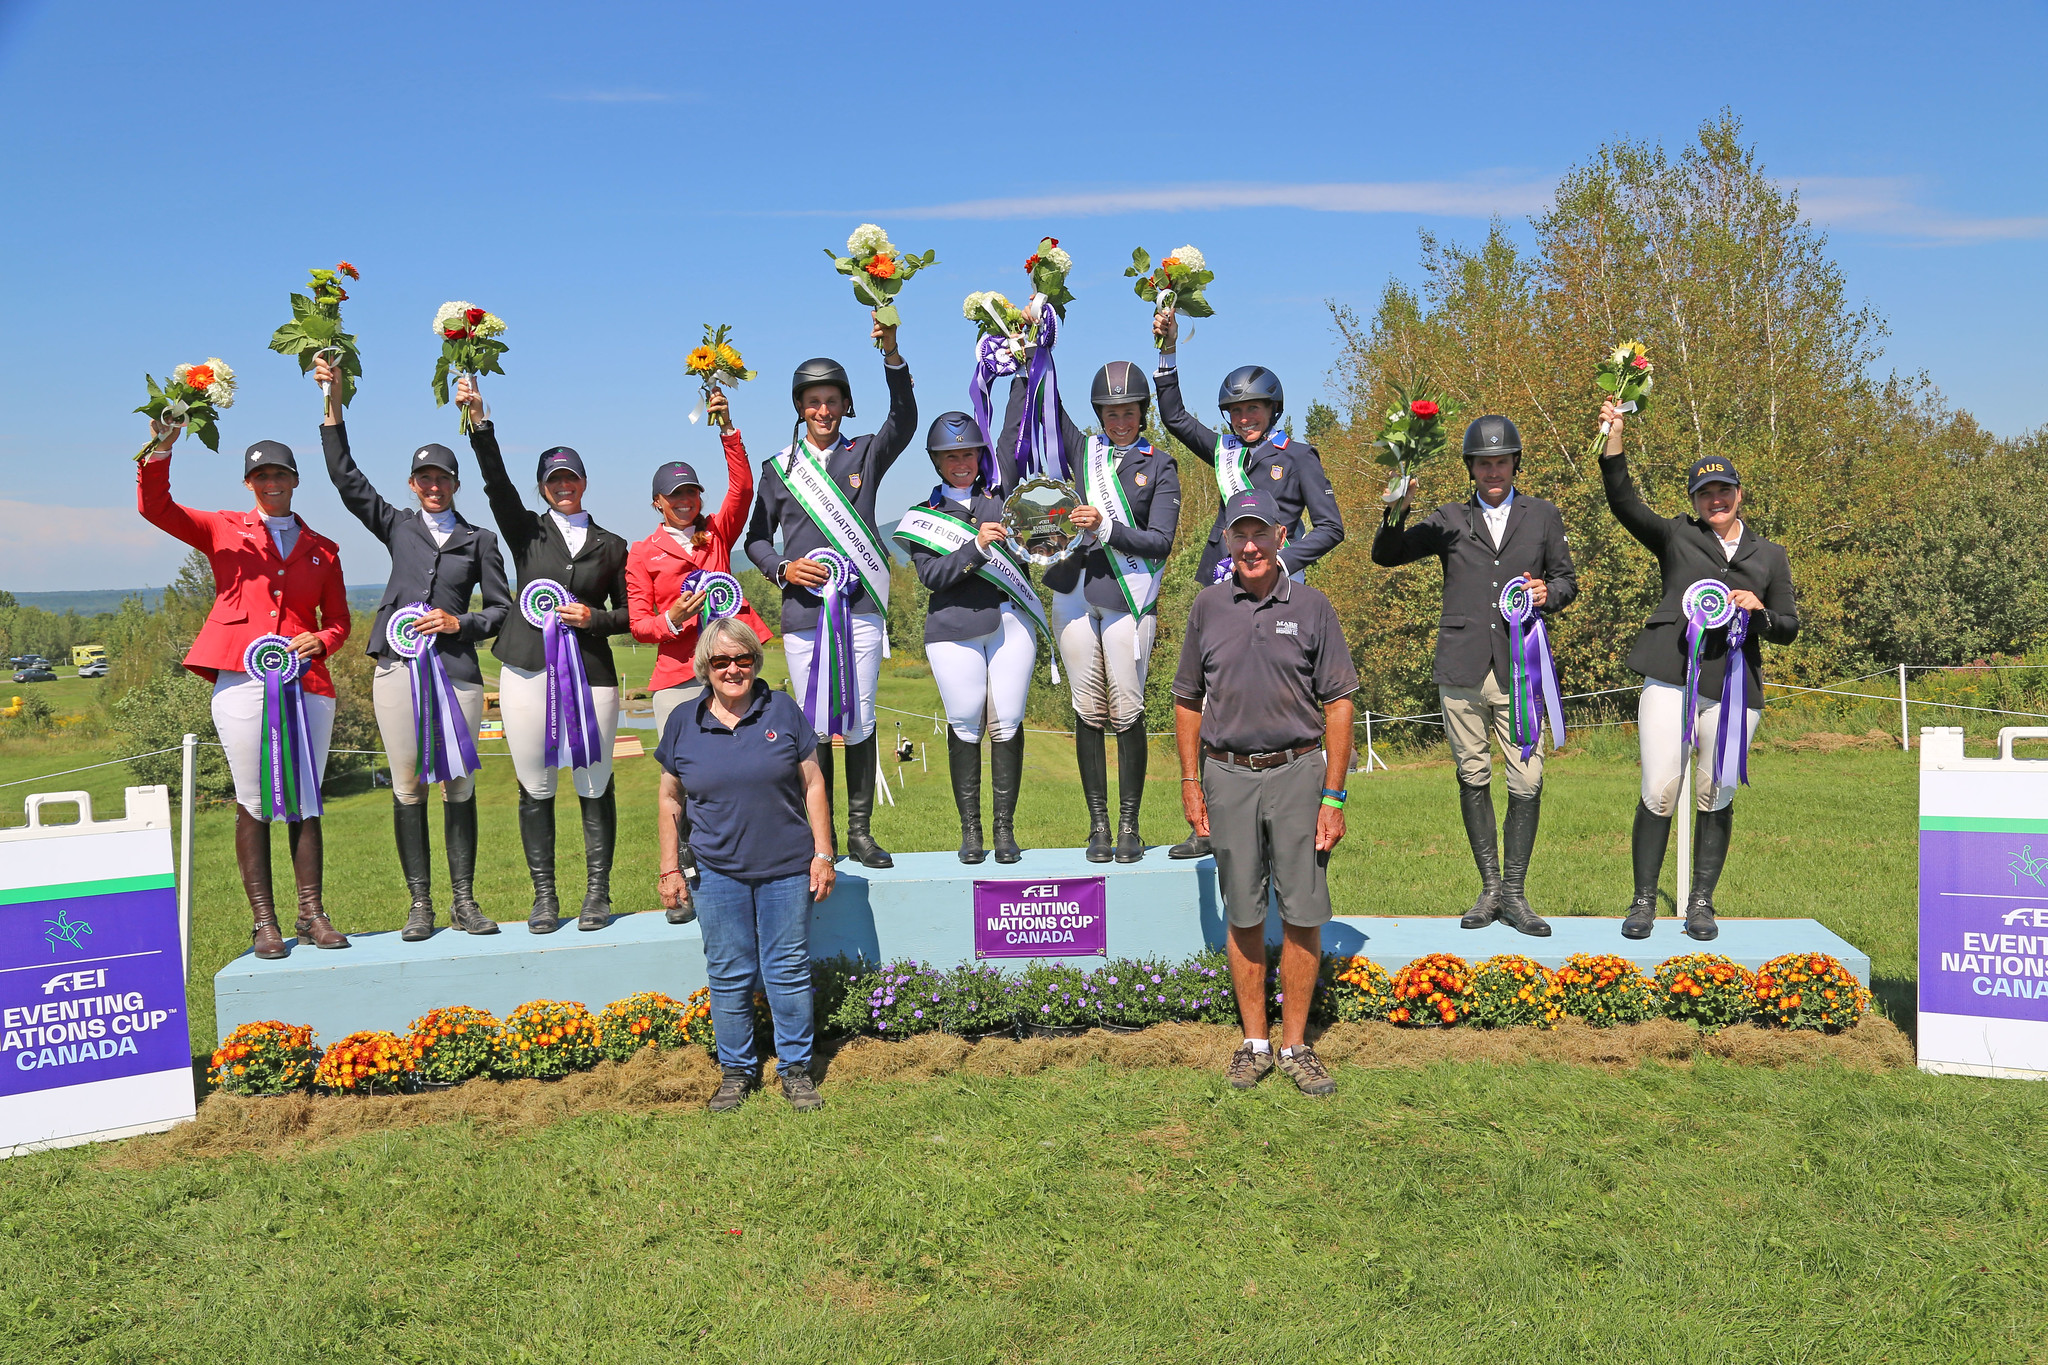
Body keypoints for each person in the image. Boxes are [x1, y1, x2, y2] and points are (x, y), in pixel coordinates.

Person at [136, 421, 351, 959]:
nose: (269, 482)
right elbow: (156, 508)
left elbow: (340, 620)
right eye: (259, 475)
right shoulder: (221, 528)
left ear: (295, 480)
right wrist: (162, 447)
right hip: (240, 676)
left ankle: (312, 914)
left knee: (306, 796)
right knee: (253, 798)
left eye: (278, 473)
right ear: (248, 484)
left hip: (309, 684)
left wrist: (321, 641)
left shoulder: (323, 548)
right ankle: (264, 923)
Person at [314, 355, 510, 942]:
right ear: (412, 484)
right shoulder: (397, 523)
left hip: (458, 675)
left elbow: (500, 611)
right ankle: (420, 904)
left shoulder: (480, 541)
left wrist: (460, 623)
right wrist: (333, 405)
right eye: (423, 479)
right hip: (398, 672)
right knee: (406, 785)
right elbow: (346, 478)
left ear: (455, 484)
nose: (432, 486)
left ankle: (465, 901)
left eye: (441, 478)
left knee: (460, 784)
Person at [1173, 489, 1358, 1096]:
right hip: (1226, 776)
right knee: (1245, 910)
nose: (1249, 546)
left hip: (1299, 773)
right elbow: (1186, 702)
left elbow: (1339, 705)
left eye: (1260, 534)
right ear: (1227, 541)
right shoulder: (1206, 607)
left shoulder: (1312, 607)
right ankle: (1254, 1043)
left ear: (1282, 537)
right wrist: (1191, 780)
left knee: (1303, 910)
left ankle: (1295, 1045)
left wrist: (1334, 796)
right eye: (1238, 535)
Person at [1600, 398, 1800, 941]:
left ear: (1739, 495)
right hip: (1670, 678)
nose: (1716, 499)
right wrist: (1614, 436)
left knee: (1717, 793)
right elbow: (1623, 501)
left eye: (1724, 491)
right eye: (1705, 493)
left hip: (1736, 691)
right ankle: (1643, 902)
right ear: (1694, 500)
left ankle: (1702, 905)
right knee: (1661, 789)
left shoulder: (1771, 555)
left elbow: (1788, 625)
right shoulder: (1676, 536)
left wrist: (1759, 615)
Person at [1371, 414, 1578, 936]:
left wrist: (1546, 594)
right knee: (1472, 773)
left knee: (1527, 777)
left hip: (1519, 667)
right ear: (1471, 468)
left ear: (1514, 464)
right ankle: (1490, 890)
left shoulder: (1543, 516)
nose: (1493, 471)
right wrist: (1398, 508)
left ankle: (1516, 892)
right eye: (1484, 463)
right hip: (1461, 665)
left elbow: (1567, 580)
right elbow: (1386, 555)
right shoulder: (1447, 518)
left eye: (1501, 462)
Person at [1153, 309, 1344, 859]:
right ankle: (1207, 823)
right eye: (1235, 412)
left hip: (1279, 589)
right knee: (1215, 698)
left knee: (1286, 698)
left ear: (1273, 410)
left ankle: (1298, 810)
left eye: (1253, 409)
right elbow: (1173, 416)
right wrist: (1168, 351)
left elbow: (1331, 526)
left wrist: (1286, 559)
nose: (1244, 419)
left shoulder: (1299, 457)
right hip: (1225, 588)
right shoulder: (1223, 454)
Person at [459, 376, 632, 934]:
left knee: (593, 779)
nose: (564, 486)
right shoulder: (525, 531)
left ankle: (597, 895)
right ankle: (544, 898)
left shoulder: (614, 544)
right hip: (526, 667)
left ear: (584, 481)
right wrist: (480, 423)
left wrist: (592, 617)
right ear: (542, 488)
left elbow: (631, 614)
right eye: (554, 480)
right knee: (535, 783)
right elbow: (494, 482)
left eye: (571, 478)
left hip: (593, 676)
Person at [744, 315, 915, 868]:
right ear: (799, 407)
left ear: (845, 404)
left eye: (832, 401)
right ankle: (824, 838)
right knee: (816, 723)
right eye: (812, 402)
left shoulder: (865, 452)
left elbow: (905, 420)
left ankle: (861, 831)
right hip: (802, 616)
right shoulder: (779, 469)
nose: (822, 411)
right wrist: (783, 569)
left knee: (860, 717)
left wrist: (892, 354)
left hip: (860, 609)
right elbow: (755, 540)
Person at [997, 361, 1180, 862]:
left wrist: (1106, 527)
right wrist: (1036, 349)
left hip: (1126, 594)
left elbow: (1160, 542)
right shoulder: (1084, 451)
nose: (1119, 419)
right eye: (1110, 412)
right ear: (1099, 413)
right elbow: (1047, 400)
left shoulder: (1160, 465)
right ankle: (1098, 825)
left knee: (1126, 707)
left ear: (1142, 412)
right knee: (1087, 707)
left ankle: (1129, 825)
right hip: (1073, 590)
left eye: (1128, 411)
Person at [655, 618, 835, 1113]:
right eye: (721, 662)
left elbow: (813, 784)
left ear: (756, 662)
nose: (733, 669)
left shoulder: (783, 709)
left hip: (786, 867)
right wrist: (670, 867)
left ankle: (795, 1070)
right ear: (704, 668)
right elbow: (670, 798)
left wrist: (823, 853)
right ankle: (737, 1071)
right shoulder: (683, 723)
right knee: (729, 972)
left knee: (788, 969)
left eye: (743, 659)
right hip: (716, 872)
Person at [625, 386, 775, 922]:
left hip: (732, 670)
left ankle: (748, 866)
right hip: (677, 676)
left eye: (691, 491)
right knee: (682, 782)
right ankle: (683, 876)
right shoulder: (641, 553)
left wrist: (727, 427)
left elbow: (743, 485)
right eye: (675, 494)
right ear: (657, 502)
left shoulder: (718, 532)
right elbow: (640, 623)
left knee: (745, 773)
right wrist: (675, 619)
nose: (685, 500)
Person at [893, 411, 1030, 863]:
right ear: (936, 461)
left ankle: (1005, 831)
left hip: (1011, 621)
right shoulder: (922, 517)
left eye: (968, 453)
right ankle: (971, 832)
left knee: (1007, 721)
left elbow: (1015, 429)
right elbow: (933, 576)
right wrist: (976, 547)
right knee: (966, 722)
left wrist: (1022, 365)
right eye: (950, 456)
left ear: (980, 455)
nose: (961, 462)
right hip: (953, 628)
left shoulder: (1006, 500)